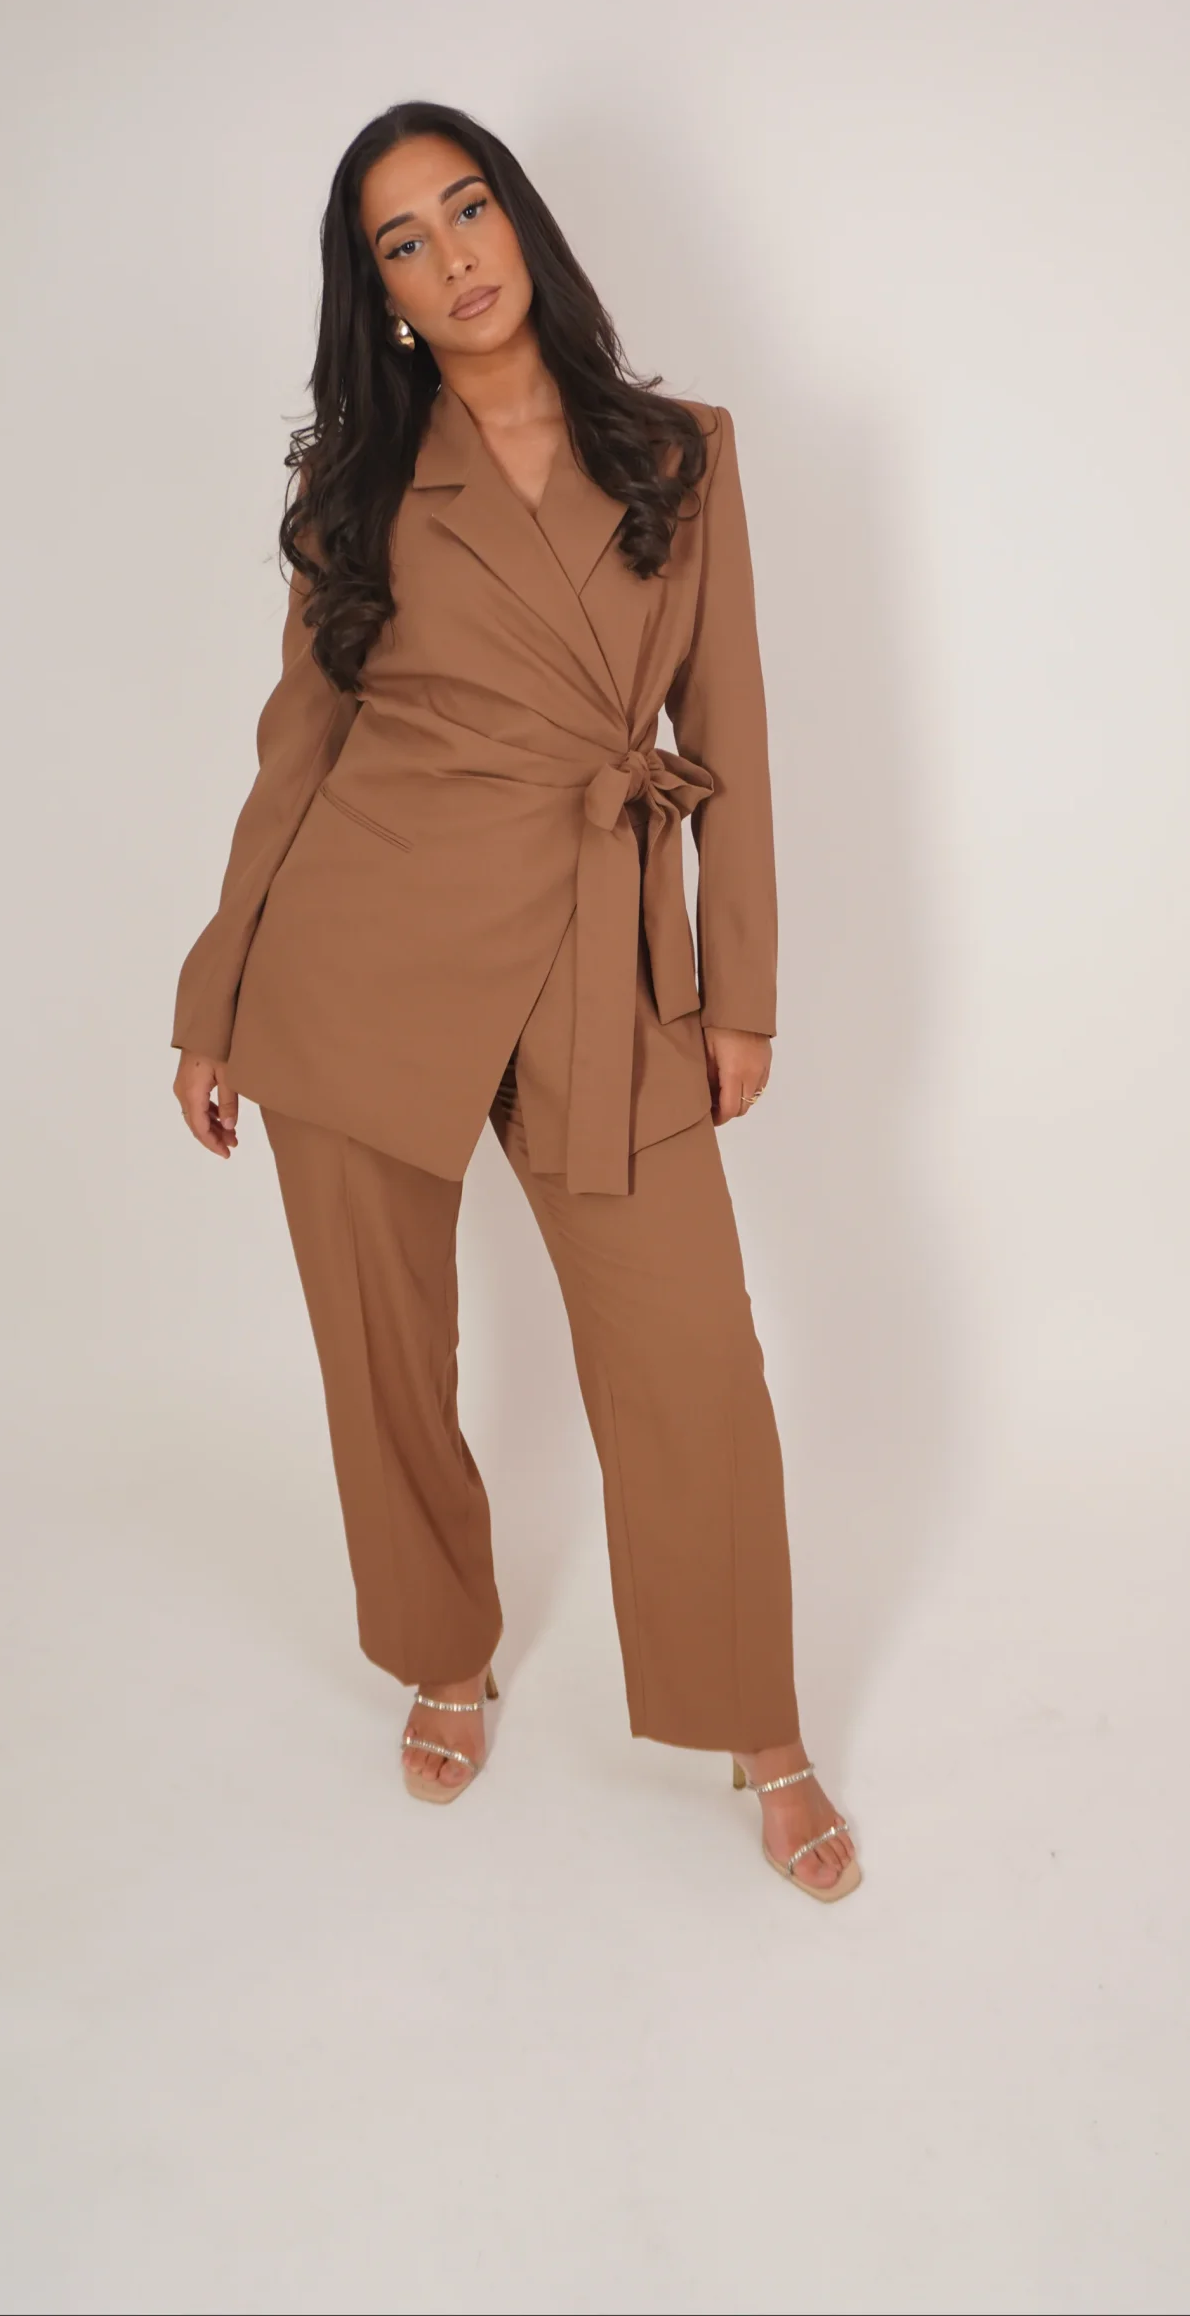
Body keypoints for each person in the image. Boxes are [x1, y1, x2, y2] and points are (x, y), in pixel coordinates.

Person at [170, 100, 860, 1904]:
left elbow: (731, 730)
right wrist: (215, 991)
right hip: (359, 954)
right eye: (401, 241)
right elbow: (297, 748)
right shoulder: (358, 490)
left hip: (596, 951)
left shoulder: (682, 454)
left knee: (692, 1360)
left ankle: (759, 1723)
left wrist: (737, 989)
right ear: (382, 294)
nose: (450, 256)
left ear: (521, 223)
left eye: (466, 209)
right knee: (382, 1351)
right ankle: (443, 1653)